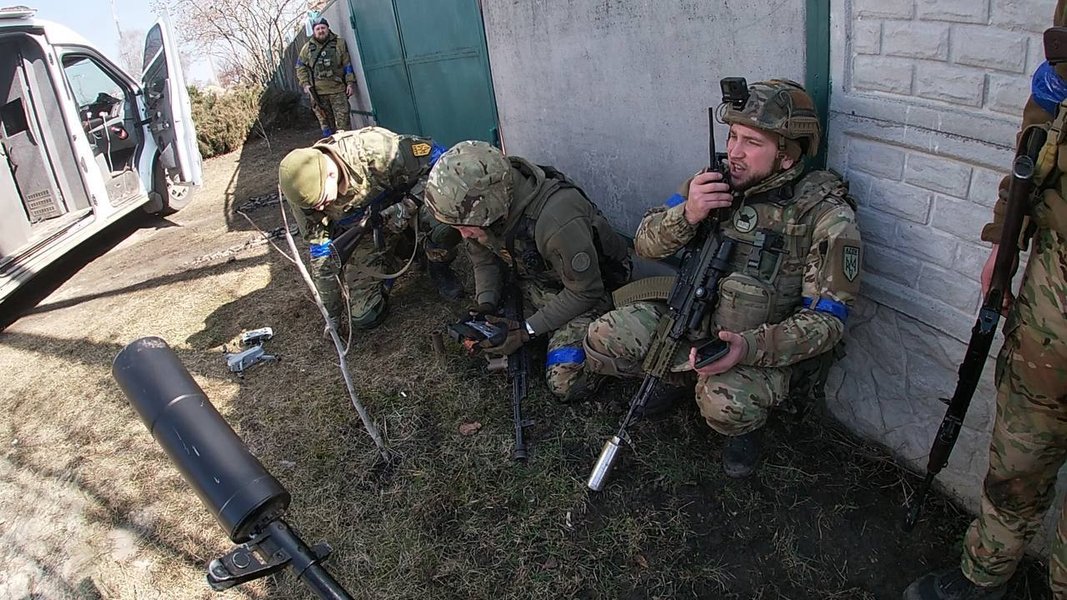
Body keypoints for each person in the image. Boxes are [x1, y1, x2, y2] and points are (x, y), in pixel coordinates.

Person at [582, 78, 863, 479]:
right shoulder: (711, 183)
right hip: (693, 321)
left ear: (787, 156)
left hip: (757, 346)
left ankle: (745, 427)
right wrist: (688, 213)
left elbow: (828, 322)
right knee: (602, 337)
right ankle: (681, 378)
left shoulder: (825, 216)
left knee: (723, 402)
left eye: (752, 142)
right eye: (732, 136)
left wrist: (747, 348)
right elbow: (645, 245)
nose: (734, 152)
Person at [903, 5, 1067, 599]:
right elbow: (1041, 126)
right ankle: (985, 573)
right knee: (1022, 441)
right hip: (1055, 277)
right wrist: (1007, 233)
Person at [423, 141, 631, 400]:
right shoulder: (484, 209)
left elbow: (586, 291)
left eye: (465, 226)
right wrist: (486, 303)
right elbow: (484, 260)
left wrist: (526, 330)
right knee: (489, 331)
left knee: (564, 381)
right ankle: (538, 338)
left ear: (491, 205)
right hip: (537, 281)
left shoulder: (556, 219)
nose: (463, 234)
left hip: (590, 293)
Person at [278, 126, 463, 331]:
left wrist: (408, 205)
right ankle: (398, 255)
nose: (320, 209)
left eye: (322, 202)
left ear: (331, 174)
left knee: (446, 222)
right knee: (365, 316)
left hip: (411, 206)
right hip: (367, 233)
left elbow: (440, 159)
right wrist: (332, 316)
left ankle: (437, 266)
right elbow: (321, 257)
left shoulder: (375, 149)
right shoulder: (303, 195)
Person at [295, 17, 356, 137]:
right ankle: (330, 151)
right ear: (314, 31)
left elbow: (347, 64)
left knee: (343, 125)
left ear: (328, 28)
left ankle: (346, 151)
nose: (321, 31)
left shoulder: (339, 43)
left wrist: (350, 83)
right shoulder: (307, 48)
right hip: (318, 94)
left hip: (338, 90)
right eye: (318, 29)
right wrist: (305, 84)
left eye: (323, 28)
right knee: (326, 126)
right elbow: (300, 67)